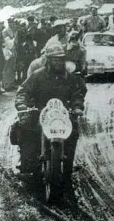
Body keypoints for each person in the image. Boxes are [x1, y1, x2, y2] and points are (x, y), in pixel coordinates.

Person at [15, 44, 87, 185]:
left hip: (63, 112)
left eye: (61, 59)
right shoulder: (38, 75)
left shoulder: (70, 78)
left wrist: (77, 107)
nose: (58, 62)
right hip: (40, 111)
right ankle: (27, 163)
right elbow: (23, 91)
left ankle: (67, 167)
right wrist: (22, 104)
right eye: (55, 60)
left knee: (73, 132)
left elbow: (77, 94)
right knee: (25, 129)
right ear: (48, 60)